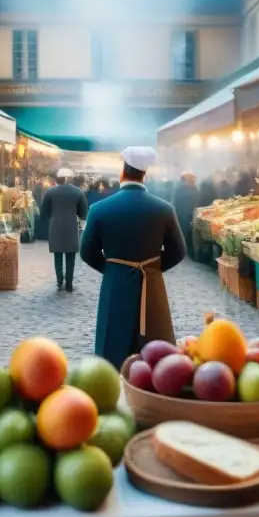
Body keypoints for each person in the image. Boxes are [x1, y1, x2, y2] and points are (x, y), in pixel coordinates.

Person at [80, 147, 186, 368]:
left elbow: (86, 251)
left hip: (115, 283)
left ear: (122, 172)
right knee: (155, 347)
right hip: (152, 283)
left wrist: (113, 270)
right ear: (144, 174)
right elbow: (178, 251)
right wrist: (152, 268)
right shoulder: (164, 209)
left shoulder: (99, 209)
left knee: (113, 342)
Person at [41, 168, 88, 292]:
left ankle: (59, 280)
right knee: (71, 255)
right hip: (71, 226)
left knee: (57, 254)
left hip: (55, 225)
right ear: (69, 179)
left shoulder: (50, 192)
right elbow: (83, 212)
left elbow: (43, 211)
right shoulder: (78, 192)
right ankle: (69, 283)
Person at [171, 170, 200, 259]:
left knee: (182, 231)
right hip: (191, 213)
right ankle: (189, 251)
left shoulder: (178, 187)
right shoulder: (193, 188)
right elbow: (197, 201)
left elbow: (174, 201)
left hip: (180, 212)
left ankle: (181, 249)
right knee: (189, 232)